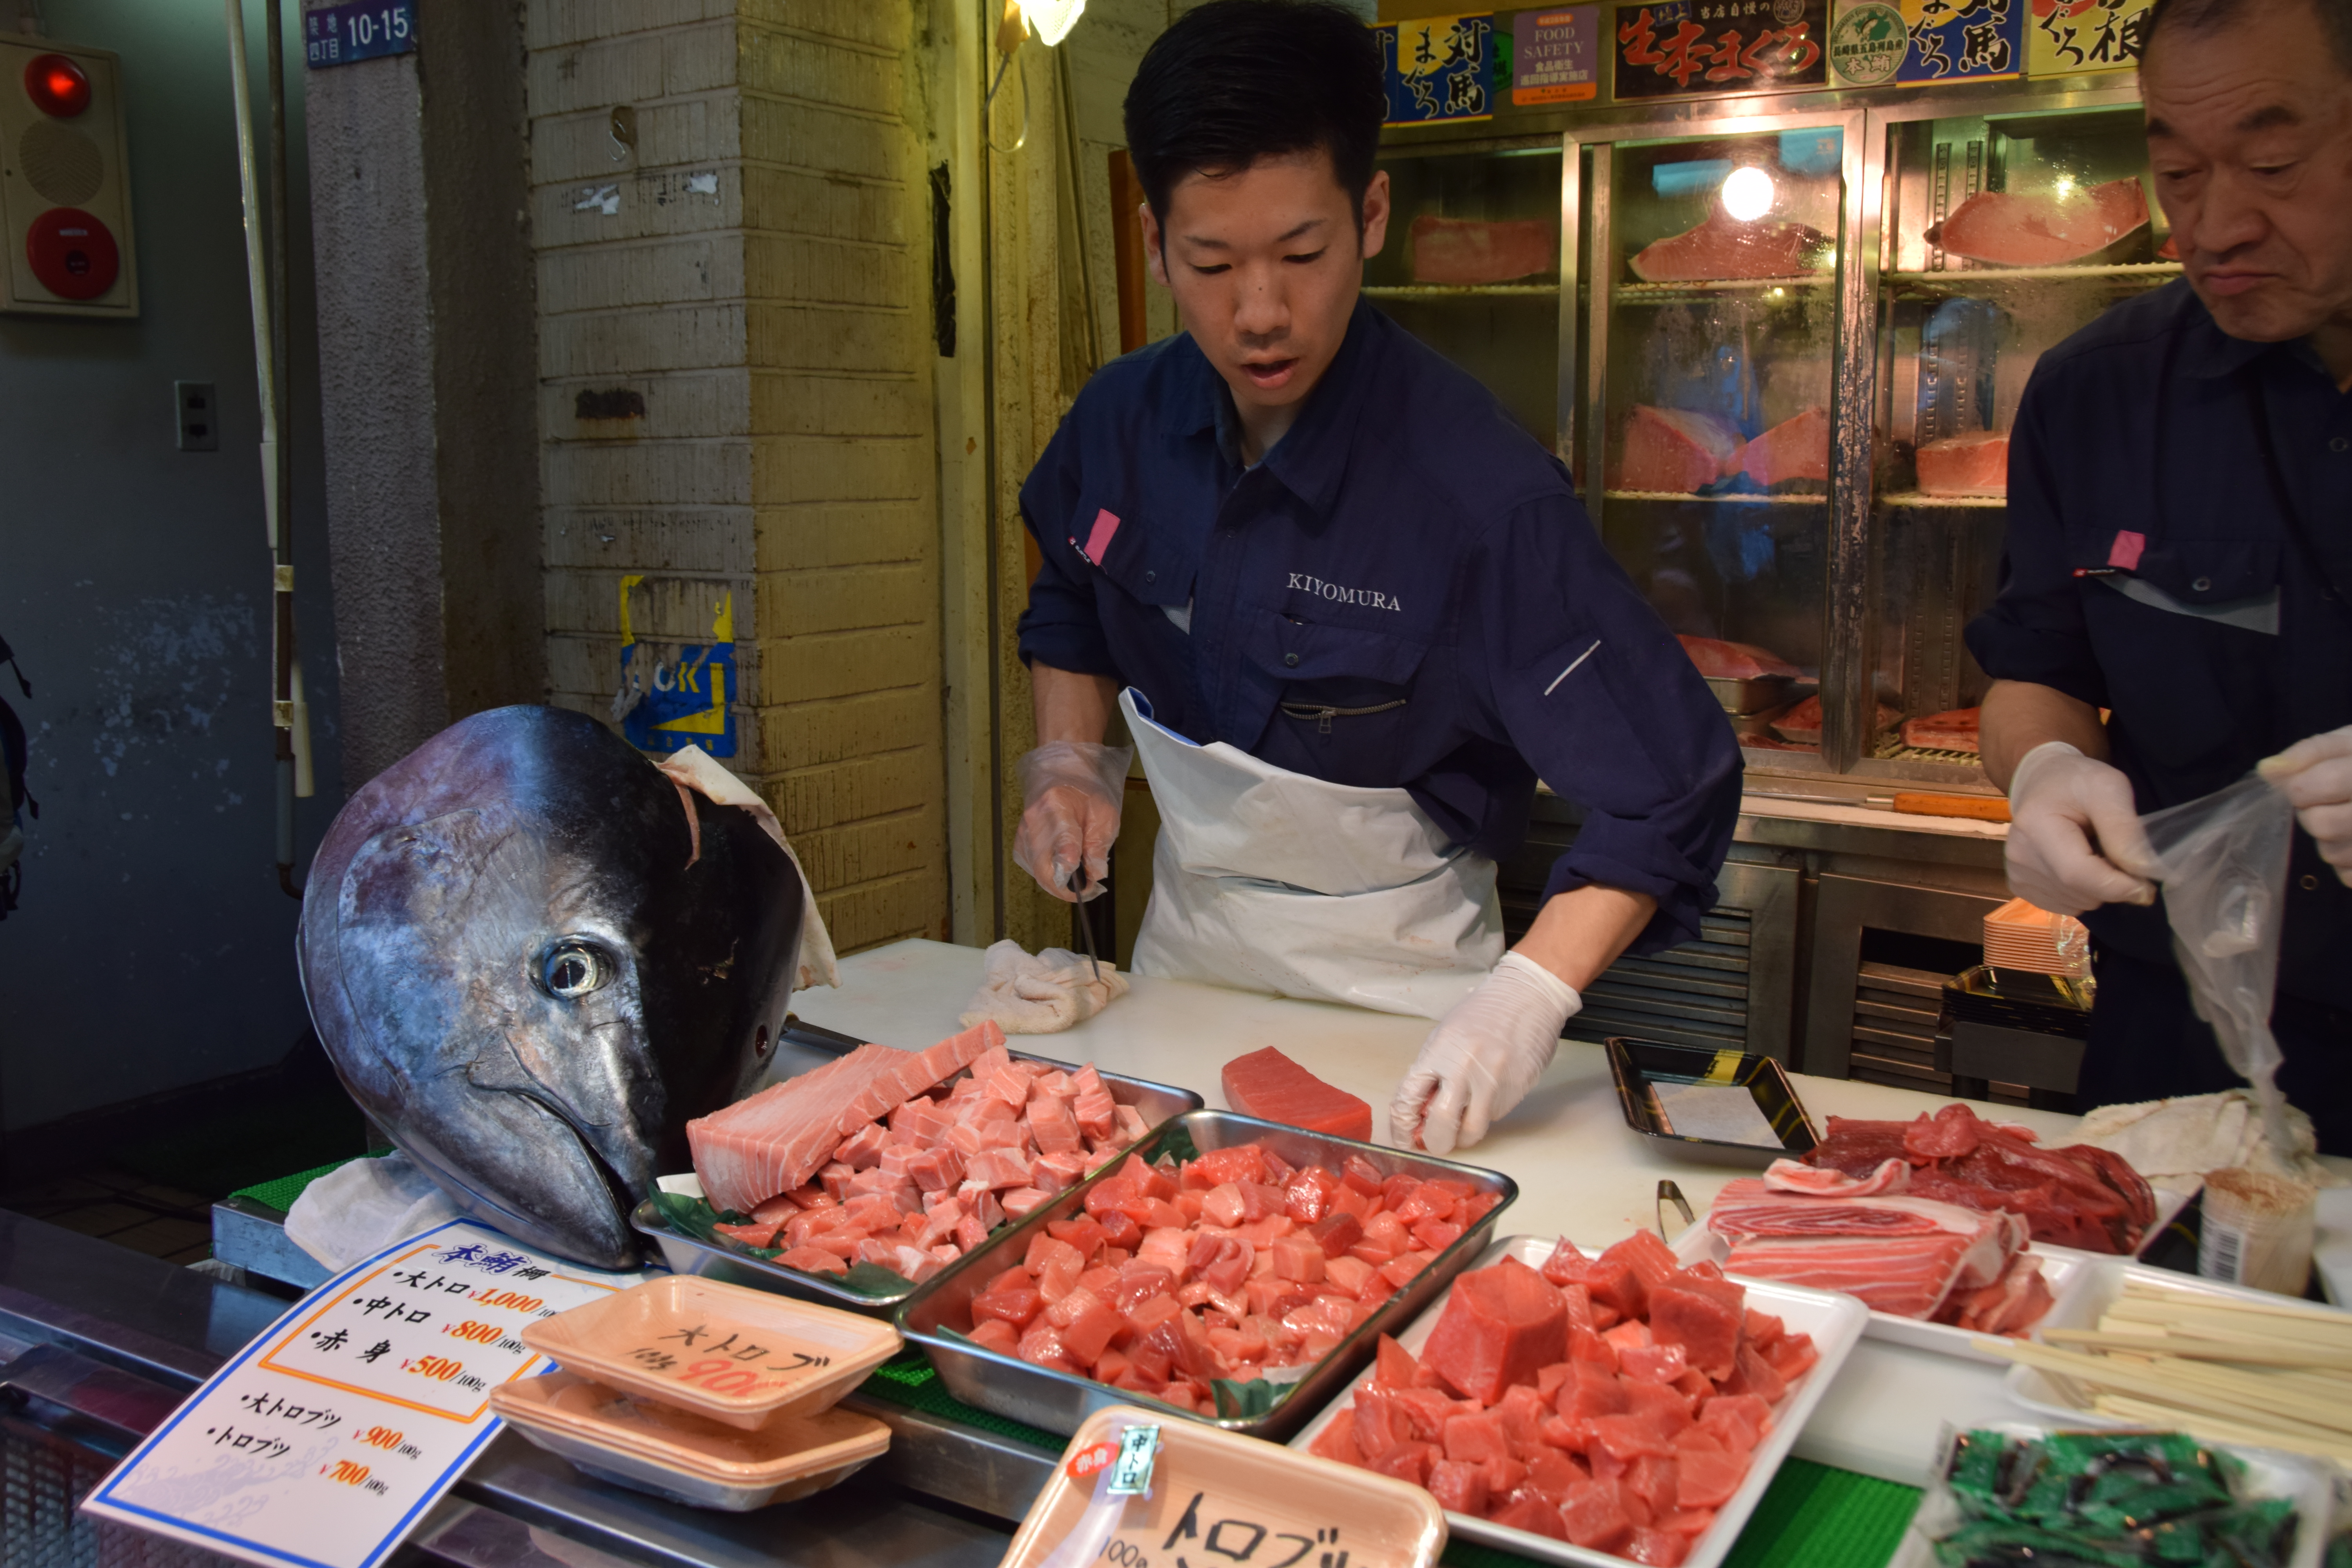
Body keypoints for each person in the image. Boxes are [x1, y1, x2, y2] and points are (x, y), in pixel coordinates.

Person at [1010, 0, 1741, 1155]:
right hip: (1181, 968)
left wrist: (1527, 999)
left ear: (1373, 215)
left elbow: (1675, 783)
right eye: (1210, 263)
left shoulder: (1476, 492)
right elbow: (1069, 591)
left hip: (1405, 1004)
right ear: (1154, 243)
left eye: (1303, 254)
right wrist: (1067, 759)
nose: (1261, 313)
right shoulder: (1117, 424)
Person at [1967, 0, 2352, 1154]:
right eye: (2177, 173)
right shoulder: (2099, 394)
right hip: (2178, 1041)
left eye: (2272, 165)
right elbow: (2033, 669)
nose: (2216, 222)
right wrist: (2041, 772)